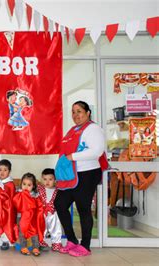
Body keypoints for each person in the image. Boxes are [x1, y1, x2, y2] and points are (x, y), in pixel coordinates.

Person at [55, 101, 107, 257]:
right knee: (60, 203)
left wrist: (72, 157)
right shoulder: (73, 130)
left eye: (79, 111)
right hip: (72, 175)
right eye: (73, 112)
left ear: (88, 112)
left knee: (83, 208)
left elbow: (96, 151)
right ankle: (71, 240)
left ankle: (85, 246)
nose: (76, 115)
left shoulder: (93, 129)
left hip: (88, 173)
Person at [13, 173, 45, 257]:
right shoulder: (19, 194)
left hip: (32, 218)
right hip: (21, 217)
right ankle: (23, 247)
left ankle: (35, 247)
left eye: (29, 185)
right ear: (21, 184)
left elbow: (39, 207)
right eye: (24, 184)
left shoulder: (35, 196)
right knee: (22, 232)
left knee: (34, 233)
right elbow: (16, 204)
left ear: (33, 186)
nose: (26, 187)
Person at [38, 168, 62, 252]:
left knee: (56, 227)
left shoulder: (58, 190)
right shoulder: (39, 189)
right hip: (42, 213)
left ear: (55, 180)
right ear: (41, 179)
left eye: (50, 179)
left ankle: (56, 244)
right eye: (45, 179)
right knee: (41, 228)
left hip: (53, 213)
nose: (47, 182)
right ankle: (40, 242)